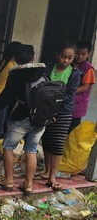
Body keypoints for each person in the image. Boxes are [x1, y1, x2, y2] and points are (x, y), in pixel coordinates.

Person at [0, 44, 46, 193]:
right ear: (32, 58)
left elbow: (4, 99)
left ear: (16, 59)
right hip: (40, 118)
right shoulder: (43, 74)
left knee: (8, 147)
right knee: (31, 150)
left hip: (21, 118)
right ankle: (28, 184)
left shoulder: (16, 76)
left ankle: (9, 181)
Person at [39, 43, 80, 190]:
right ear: (57, 55)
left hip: (63, 111)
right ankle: (46, 171)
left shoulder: (75, 73)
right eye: (63, 57)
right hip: (46, 109)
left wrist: (55, 106)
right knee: (47, 140)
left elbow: (70, 95)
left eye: (70, 58)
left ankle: (52, 177)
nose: (66, 61)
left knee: (57, 143)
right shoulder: (48, 67)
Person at [68, 39, 95, 134]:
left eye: (83, 54)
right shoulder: (68, 63)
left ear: (88, 54)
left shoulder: (89, 69)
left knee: (71, 132)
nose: (80, 56)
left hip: (78, 104)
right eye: (78, 53)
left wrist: (69, 91)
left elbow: (85, 87)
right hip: (65, 101)